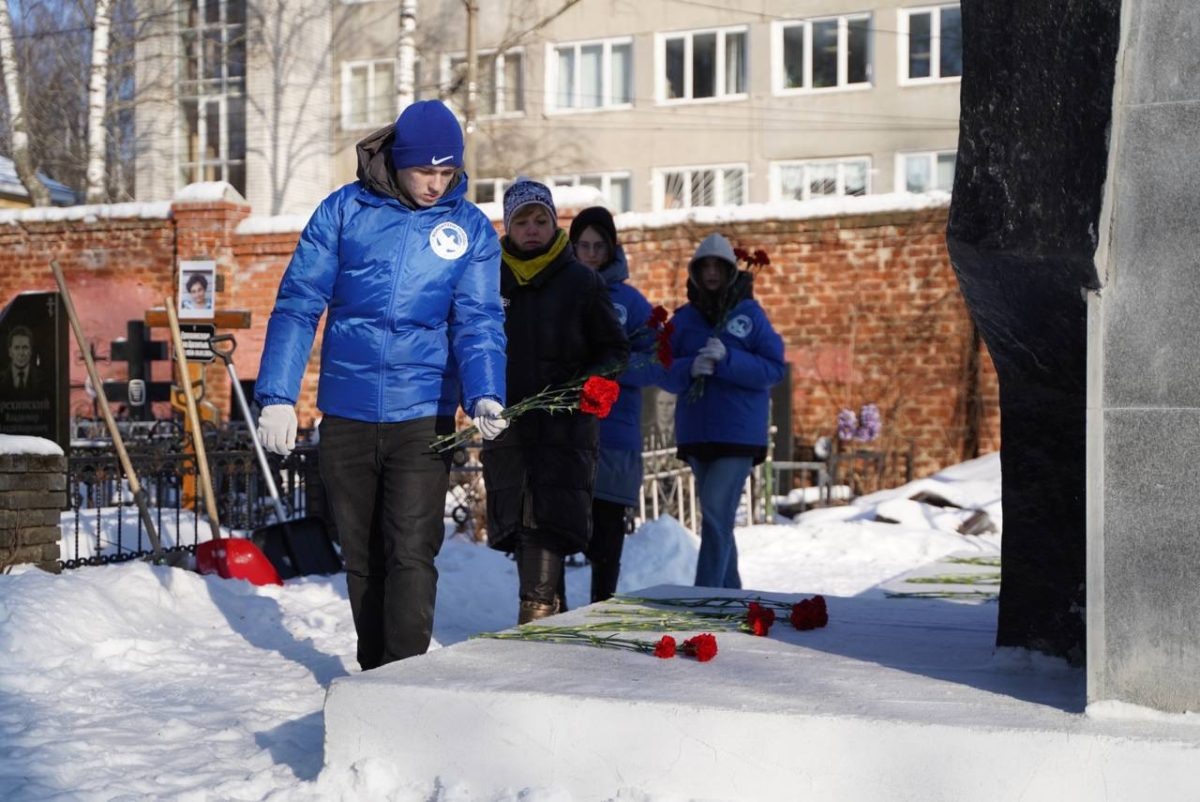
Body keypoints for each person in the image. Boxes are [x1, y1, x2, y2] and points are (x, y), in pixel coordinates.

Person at [254, 99, 509, 670]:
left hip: (423, 412)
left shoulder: (469, 228)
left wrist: (485, 390)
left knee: (412, 550)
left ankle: (405, 679)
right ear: (397, 160)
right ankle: (376, 675)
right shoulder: (343, 211)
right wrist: (276, 396)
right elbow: (299, 302)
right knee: (362, 554)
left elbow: (478, 319)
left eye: (448, 173)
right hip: (347, 411)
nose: (436, 185)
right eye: (424, 171)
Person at [481, 180, 629, 623]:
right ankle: (546, 611)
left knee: (546, 523)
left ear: (554, 223)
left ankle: (537, 613)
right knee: (523, 523)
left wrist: (582, 384)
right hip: (508, 423)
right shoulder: (488, 280)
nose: (532, 229)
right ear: (508, 227)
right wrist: (479, 394)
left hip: (563, 425)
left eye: (540, 220)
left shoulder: (581, 282)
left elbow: (614, 350)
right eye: (522, 221)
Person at [662, 232, 785, 589]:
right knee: (719, 520)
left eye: (719, 266)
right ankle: (731, 598)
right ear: (695, 271)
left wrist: (728, 359)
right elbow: (661, 368)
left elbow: (773, 369)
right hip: (698, 433)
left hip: (738, 434)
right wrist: (689, 368)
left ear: (731, 270)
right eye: (705, 267)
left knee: (715, 514)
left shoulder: (749, 315)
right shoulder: (684, 320)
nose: (712, 273)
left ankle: (703, 596)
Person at [568, 206, 666, 603]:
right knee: (559, 534)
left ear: (611, 249)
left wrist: (611, 369)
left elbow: (657, 361)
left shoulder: (630, 302)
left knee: (606, 543)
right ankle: (551, 613)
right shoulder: (558, 291)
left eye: (599, 246)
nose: (591, 254)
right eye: (584, 246)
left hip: (614, 433)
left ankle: (600, 608)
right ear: (572, 248)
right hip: (564, 430)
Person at [0, 326, 42, 397]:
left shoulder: (44, 380)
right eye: (16, 348)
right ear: (10, 352)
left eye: (25, 347)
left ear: (31, 351)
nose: (21, 353)